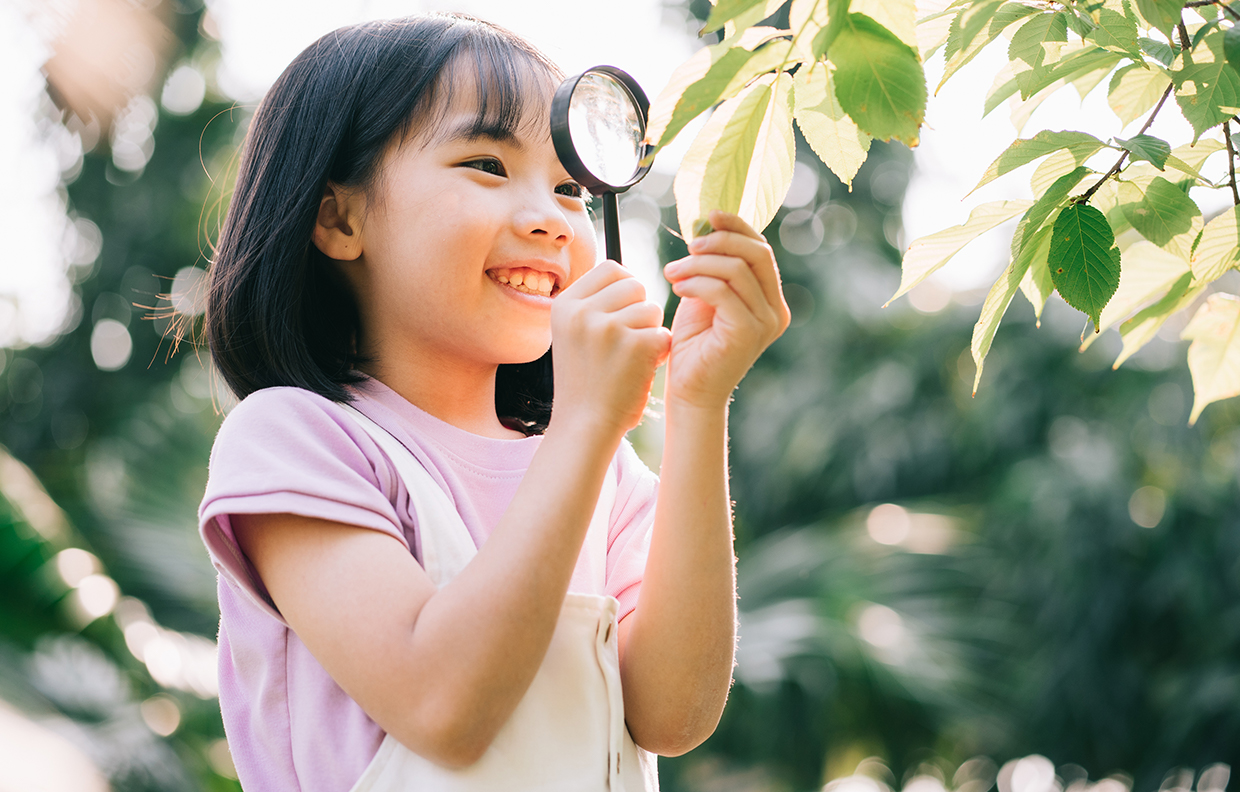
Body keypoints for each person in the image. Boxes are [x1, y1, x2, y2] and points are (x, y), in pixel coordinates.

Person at [197, 11, 790, 792]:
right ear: (340, 217)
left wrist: (698, 403)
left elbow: (671, 713)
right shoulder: (294, 441)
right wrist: (582, 424)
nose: (549, 217)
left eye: (570, 186)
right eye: (486, 164)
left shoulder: (607, 473)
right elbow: (443, 702)